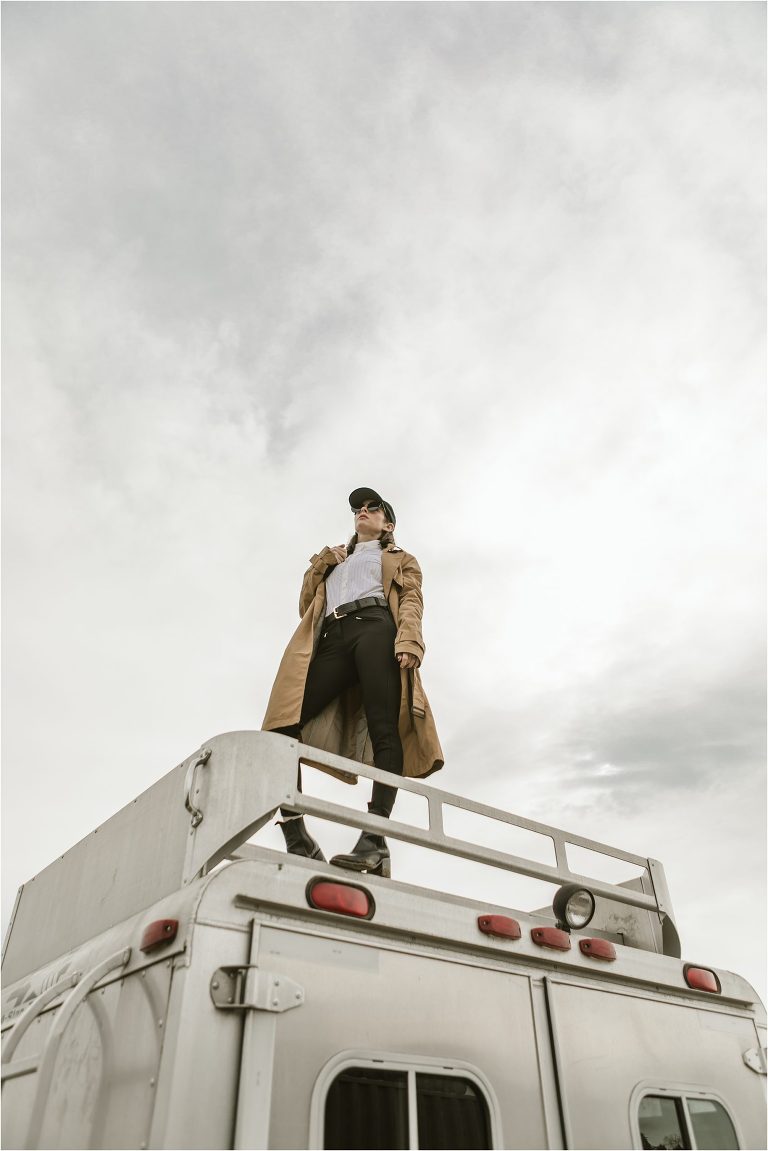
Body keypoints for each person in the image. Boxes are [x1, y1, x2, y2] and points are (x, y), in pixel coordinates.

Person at [262, 486, 443, 876]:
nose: (363, 510)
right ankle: (295, 831)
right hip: (333, 636)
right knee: (281, 726)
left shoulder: (399, 558)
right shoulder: (334, 561)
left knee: (384, 726)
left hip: (376, 628)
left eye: (373, 507)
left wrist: (409, 639)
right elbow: (305, 606)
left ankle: (374, 838)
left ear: (387, 524)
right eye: (358, 508)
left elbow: (412, 600)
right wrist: (322, 562)